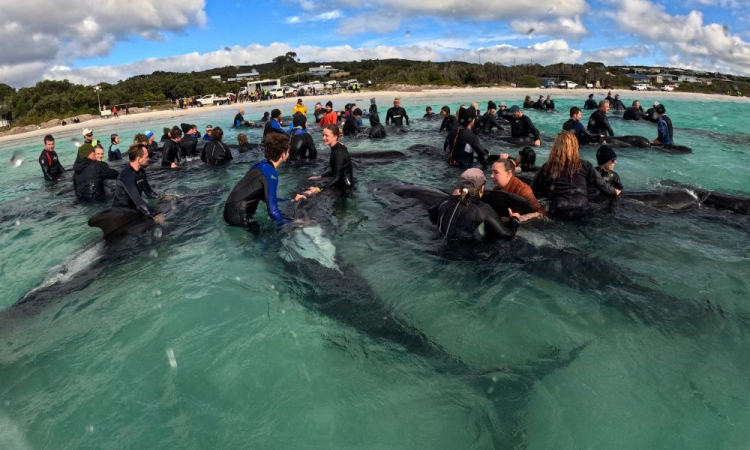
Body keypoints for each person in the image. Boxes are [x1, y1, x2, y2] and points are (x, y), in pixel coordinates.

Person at [223, 133, 305, 230]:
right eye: (288, 151)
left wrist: (290, 200)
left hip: (229, 212)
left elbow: (267, 198)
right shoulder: (271, 173)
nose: (289, 153)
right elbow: (273, 212)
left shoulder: (260, 165)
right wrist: (294, 223)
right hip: (240, 217)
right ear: (283, 154)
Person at [531, 131, 620, 217]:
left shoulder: (547, 167)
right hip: (582, 208)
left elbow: (532, 190)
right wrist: (614, 192)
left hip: (559, 209)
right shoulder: (585, 165)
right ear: (575, 147)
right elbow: (601, 184)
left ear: (555, 148)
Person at [428, 168, 521, 240]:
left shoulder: (446, 201)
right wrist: (514, 219)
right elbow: (507, 235)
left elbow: (431, 213)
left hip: (439, 246)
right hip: (464, 257)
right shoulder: (483, 209)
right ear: (482, 188)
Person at [113, 143, 163, 224]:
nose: (149, 159)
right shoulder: (127, 175)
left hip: (134, 210)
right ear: (139, 159)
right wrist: (154, 214)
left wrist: (165, 197)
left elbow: (150, 193)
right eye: (146, 157)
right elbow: (138, 201)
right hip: (121, 215)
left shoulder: (141, 172)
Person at [307, 125, 354, 196]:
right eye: (323, 135)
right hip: (344, 183)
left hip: (345, 188)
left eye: (326, 136)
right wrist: (320, 176)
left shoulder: (338, 152)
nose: (323, 138)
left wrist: (319, 189)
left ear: (335, 137)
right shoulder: (337, 147)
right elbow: (337, 169)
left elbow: (337, 177)